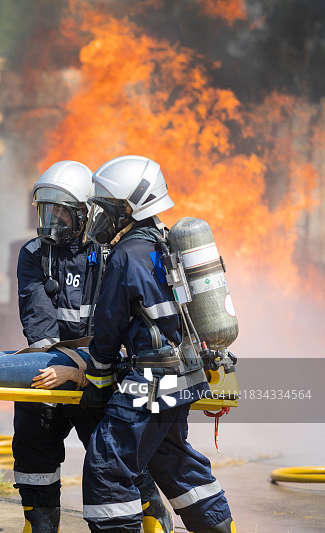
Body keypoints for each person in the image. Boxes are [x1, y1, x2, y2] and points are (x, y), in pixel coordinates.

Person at [13, 161, 173, 533]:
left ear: (86, 215)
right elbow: (39, 326)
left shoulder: (109, 255)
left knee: (115, 459)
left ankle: (151, 517)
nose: (52, 221)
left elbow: (114, 330)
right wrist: (57, 370)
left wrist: (82, 372)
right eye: (46, 211)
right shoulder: (33, 254)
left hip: (97, 376)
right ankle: (38, 524)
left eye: (63, 213)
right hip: (47, 369)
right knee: (33, 456)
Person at [79, 155, 236, 532]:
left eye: (110, 207)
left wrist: (98, 376)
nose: (102, 216)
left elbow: (109, 325)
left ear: (132, 207)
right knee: (172, 460)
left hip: (151, 383)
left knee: (107, 466)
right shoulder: (167, 242)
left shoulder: (125, 254)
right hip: (184, 375)